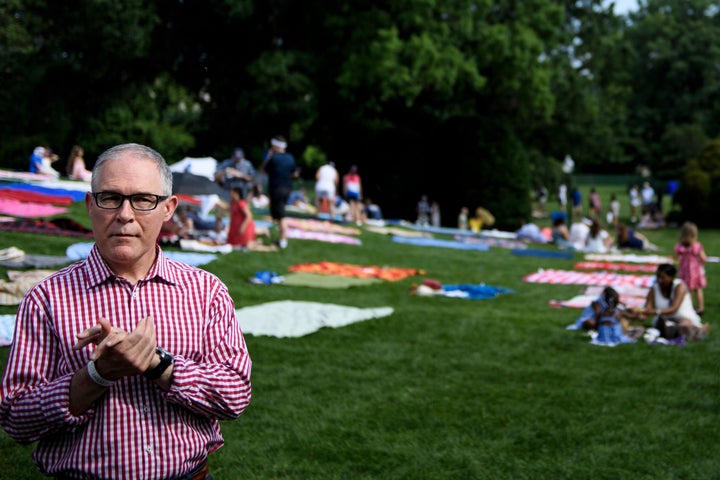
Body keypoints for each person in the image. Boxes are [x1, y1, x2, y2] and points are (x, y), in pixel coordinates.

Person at [0, 143, 252, 479]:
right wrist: (96, 375)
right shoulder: (46, 298)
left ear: (168, 208)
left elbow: (234, 395)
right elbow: (16, 417)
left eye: (143, 200)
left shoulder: (206, 292)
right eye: (110, 198)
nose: (125, 214)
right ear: (91, 205)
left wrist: (157, 364)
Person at [629, 264, 710, 340]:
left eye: (663, 278)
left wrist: (654, 312)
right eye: (658, 277)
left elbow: (674, 309)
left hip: (683, 318)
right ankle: (676, 330)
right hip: (664, 319)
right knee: (665, 324)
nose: (660, 280)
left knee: (684, 324)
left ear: (671, 277)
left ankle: (680, 330)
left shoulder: (679, 286)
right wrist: (638, 315)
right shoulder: (654, 289)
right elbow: (647, 309)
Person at [261, 135, 298, 249]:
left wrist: (269, 156)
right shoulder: (290, 157)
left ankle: (283, 240)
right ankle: (280, 237)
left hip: (277, 187)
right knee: (278, 213)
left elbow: (263, 169)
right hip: (287, 187)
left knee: (281, 215)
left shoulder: (274, 157)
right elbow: (295, 173)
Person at [227, 187, 277, 252]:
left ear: (236, 194)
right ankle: (258, 242)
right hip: (236, 228)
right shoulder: (233, 203)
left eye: (232, 193)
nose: (230, 195)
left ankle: (270, 248)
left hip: (245, 228)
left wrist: (242, 227)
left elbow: (249, 216)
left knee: (248, 246)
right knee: (236, 245)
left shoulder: (241, 203)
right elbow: (227, 208)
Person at [674, 222, 707, 315]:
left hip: (684, 271)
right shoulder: (696, 246)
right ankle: (700, 307)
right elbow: (703, 258)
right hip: (695, 272)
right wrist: (702, 263)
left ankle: (690, 307)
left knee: (688, 291)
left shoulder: (680, 246)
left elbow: (676, 257)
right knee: (698, 289)